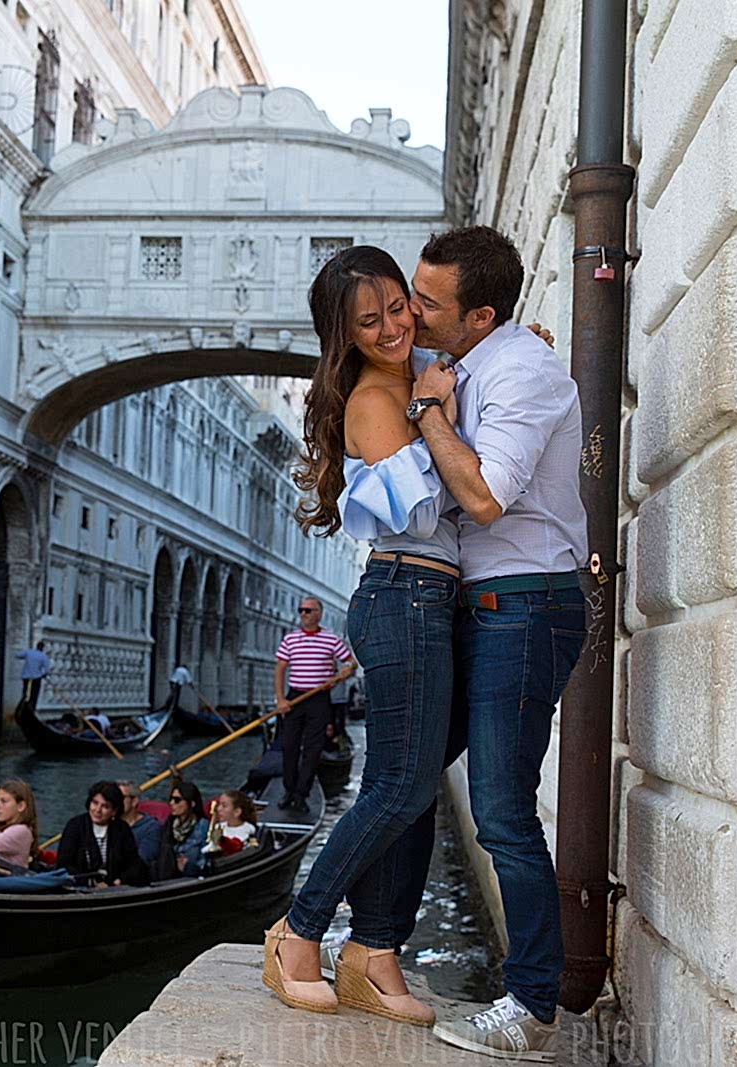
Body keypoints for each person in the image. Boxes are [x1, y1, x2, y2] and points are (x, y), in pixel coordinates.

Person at [261, 244, 462, 1024]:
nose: (391, 327)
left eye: (397, 306)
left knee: (413, 793)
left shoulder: (415, 377)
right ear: (345, 335)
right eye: (369, 320)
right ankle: (298, 930)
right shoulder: (378, 400)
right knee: (398, 787)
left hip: (428, 598)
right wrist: (431, 409)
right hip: (403, 592)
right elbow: (420, 511)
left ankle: (375, 955)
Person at [402, 226, 588, 1059]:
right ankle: (374, 944)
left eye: (428, 301)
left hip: (526, 606)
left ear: (480, 315)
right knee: (402, 778)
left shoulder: (523, 370)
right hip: (482, 608)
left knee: (505, 812)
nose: (411, 310)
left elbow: (482, 497)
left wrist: (432, 412)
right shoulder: (468, 358)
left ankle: (533, 1003)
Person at [273, 598, 356, 809]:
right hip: (295, 697)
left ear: (319, 614)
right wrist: (281, 699)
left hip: (319, 699)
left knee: (313, 748)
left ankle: (302, 795)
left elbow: (350, 661)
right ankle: (289, 791)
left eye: (308, 610)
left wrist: (347, 669)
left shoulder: (330, 639)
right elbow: (280, 669)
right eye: (301, 610)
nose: (303, 614)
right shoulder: (290, 639)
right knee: (289, 746)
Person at [54, 780, 149, 887]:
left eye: (105, 806)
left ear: (114, 810)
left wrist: (118, 881)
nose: (98, 810)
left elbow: (134, 864)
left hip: (115, 888)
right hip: (80, 887)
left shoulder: (121, 829)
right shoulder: (75, 826)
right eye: (95, 803)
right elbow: (64, 864)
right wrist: (90, 883)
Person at [157, 781, 209, 878]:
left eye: (177, 800)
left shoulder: (203, 827)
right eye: (171, 799)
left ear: (192, 803)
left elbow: (206, 861)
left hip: (191, 878)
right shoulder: (168, 825)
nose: (171, 803)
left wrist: (188, 867)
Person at [117, 780, 162, 865]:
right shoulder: (109, 823)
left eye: (120, 797)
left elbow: (143, 860)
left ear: (134, 801)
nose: (116, 801)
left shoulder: (151, 828)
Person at [14, 641, 51, 709]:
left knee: (25, 693)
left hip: (26, 676)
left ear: (36, 646)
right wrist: (44, 675)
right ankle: (31, 709)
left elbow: (17, 655)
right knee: (34, 695)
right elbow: (47, 670)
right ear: (42, 648)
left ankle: (22, 707)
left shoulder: (28, 652)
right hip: (36, 678)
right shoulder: (43, 656)